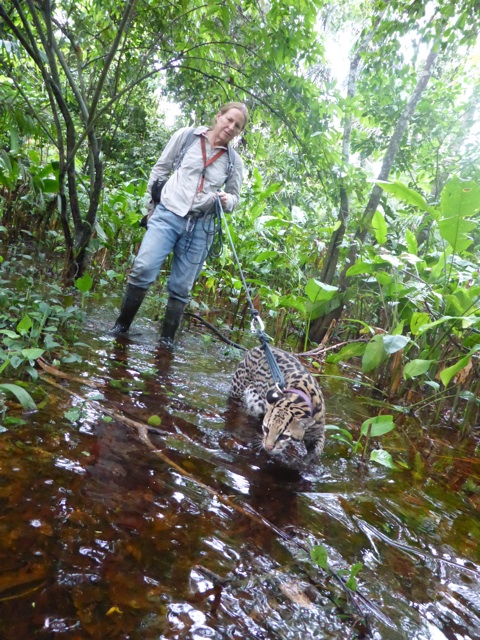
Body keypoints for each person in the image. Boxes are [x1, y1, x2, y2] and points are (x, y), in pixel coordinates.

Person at [111, 101, 248, 342]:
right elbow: (160, 170)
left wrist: (228, 201)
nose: (231, 127)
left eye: (237, 126)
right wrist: (151, 210)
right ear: (219, 116)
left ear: (238, 132)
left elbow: (235, 199)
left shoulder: (234, 162)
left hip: (201, 227)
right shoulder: (186, 137)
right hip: (167, 214)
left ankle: (166, 343)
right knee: (143, 269)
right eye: (229, 120)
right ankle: (121, 328)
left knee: (182, 289)